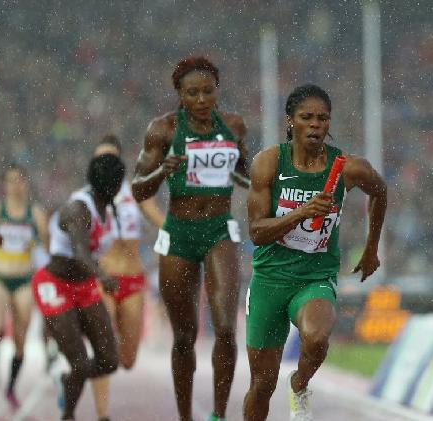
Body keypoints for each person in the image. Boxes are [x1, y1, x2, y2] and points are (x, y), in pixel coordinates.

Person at [241, 84, 387, 421]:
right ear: (290, 122)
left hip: (314, 276)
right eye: (307, 117)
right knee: (261, 385)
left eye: (323, 118)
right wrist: (301, 213)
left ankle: (300, 382)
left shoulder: (347, 167)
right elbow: (257, 232)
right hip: (270, 280)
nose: (316, 125)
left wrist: (371, 248)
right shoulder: (269, 163)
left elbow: (379, 191)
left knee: (317, 336)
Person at [131, 56, 248, 421]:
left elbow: (245, 176)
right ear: (179, 95)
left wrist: (270, 185)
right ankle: (185, 415)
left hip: (218, 230)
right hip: (178, 233)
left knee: (226, 329)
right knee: (184, 337)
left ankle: (218, 414)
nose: (201, 100)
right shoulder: (163, 130)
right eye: (192, 93)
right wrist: (162, 171)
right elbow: (137, 189)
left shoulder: (233, 126)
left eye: (208, 92)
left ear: (216, 92)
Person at [32, 154, 124, 421]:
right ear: (115, 185)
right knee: (81, 361)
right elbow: (81, 254)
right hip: (55, 285)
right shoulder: (78, 209)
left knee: (109, 360)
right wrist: (103, 276)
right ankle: (68, 414)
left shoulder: (109, 208)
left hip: (83, 287)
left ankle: (70, 379)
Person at [89, 135, 165, 421]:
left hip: (132, 280)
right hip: (102, 277)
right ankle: (102, 415)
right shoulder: (87, 196)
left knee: (128, 359)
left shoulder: (136, 191)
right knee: (103, 345)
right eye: (100, 159)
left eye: (110, 158)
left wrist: (182, 235)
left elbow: (160, 220)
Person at [0, 163, 50, 408]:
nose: (15, 185)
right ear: (4, 185)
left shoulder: (35, 214)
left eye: (19, 180)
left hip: (24, 279)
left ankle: (11, 387)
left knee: (21, 340)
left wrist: (42, 242)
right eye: (11, 180)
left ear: (25, 183)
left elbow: (47, 246)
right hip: (0, 278)